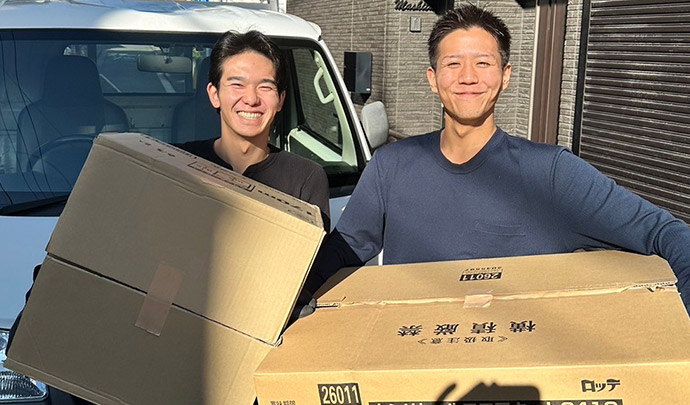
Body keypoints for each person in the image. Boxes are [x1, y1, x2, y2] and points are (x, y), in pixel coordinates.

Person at [304, 3, 690, 313]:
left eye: (483, 63)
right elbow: (344, 249)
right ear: (432, 78)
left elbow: (664, 232)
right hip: (413, 367)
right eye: (453, 63)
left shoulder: (551, 173)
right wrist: (284, 301)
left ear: (505, 76)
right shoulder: (392, 167)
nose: (468, 77)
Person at [177, 30, 330, 231]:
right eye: (237, 85)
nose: (251, 99)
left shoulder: (306, 179)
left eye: (265, 87)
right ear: (214, 95)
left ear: (280, 100)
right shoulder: (178, 163)